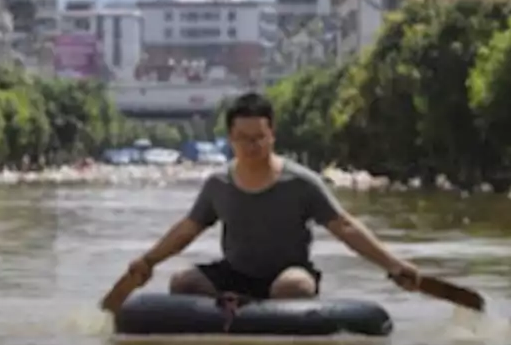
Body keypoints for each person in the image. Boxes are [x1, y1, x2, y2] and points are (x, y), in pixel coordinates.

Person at [119, 92, 421, 300]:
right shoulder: (218, 184)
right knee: (183, 283)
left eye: (259, 138)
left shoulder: (301, 182)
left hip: (289, 273)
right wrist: (148, 260)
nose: (252, 146)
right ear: (231, 140)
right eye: (243, 139)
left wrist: (394, 265)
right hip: (235, 273)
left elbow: (345, 226)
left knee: (293, 287)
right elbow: (188, 229)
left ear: (272, 135)